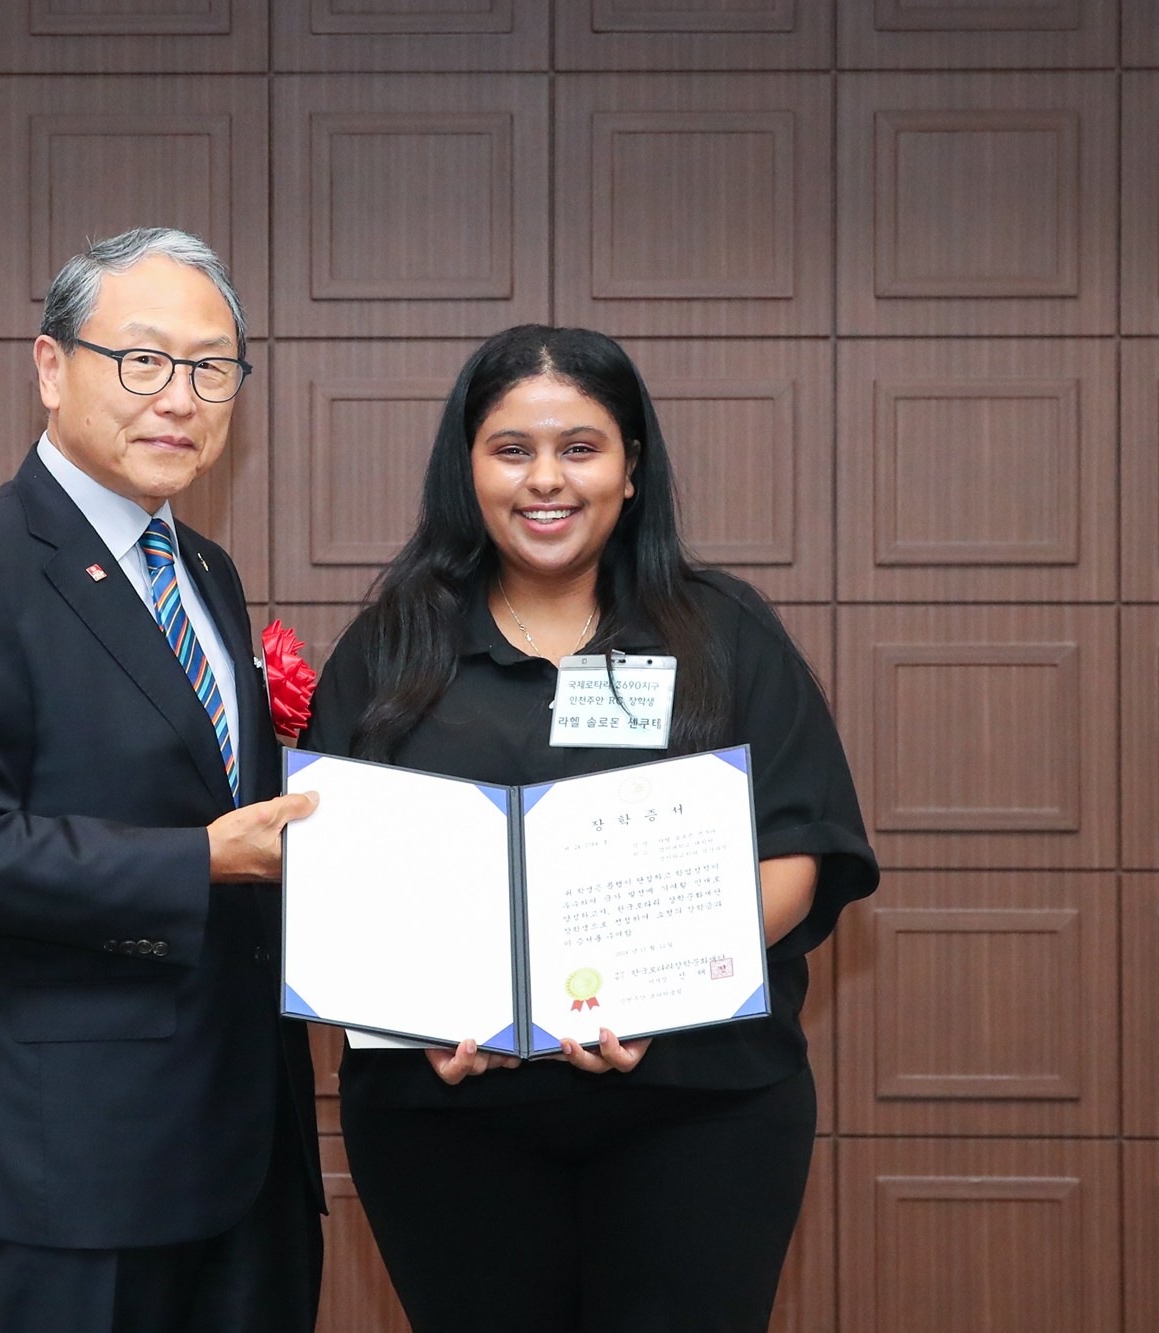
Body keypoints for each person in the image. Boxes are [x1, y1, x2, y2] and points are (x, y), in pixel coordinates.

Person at [298, 325, 878, 1333]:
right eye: (510, 449)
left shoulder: (724, 631)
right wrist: (415, 1009)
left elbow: (795, 851)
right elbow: (333, 868)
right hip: (444, 1116)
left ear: (630, 467)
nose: (544, 480)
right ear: (467, 469)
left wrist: (658, 987)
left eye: (579, 447)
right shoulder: (392, 643)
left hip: (700, 1106)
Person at [0, 228, 324, 1333]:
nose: (179, 398)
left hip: (247, 1141)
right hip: (75, 1159)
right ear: (50, 366)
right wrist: (199, 859)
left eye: (211, 368)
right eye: (143, 359)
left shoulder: (205, 569)